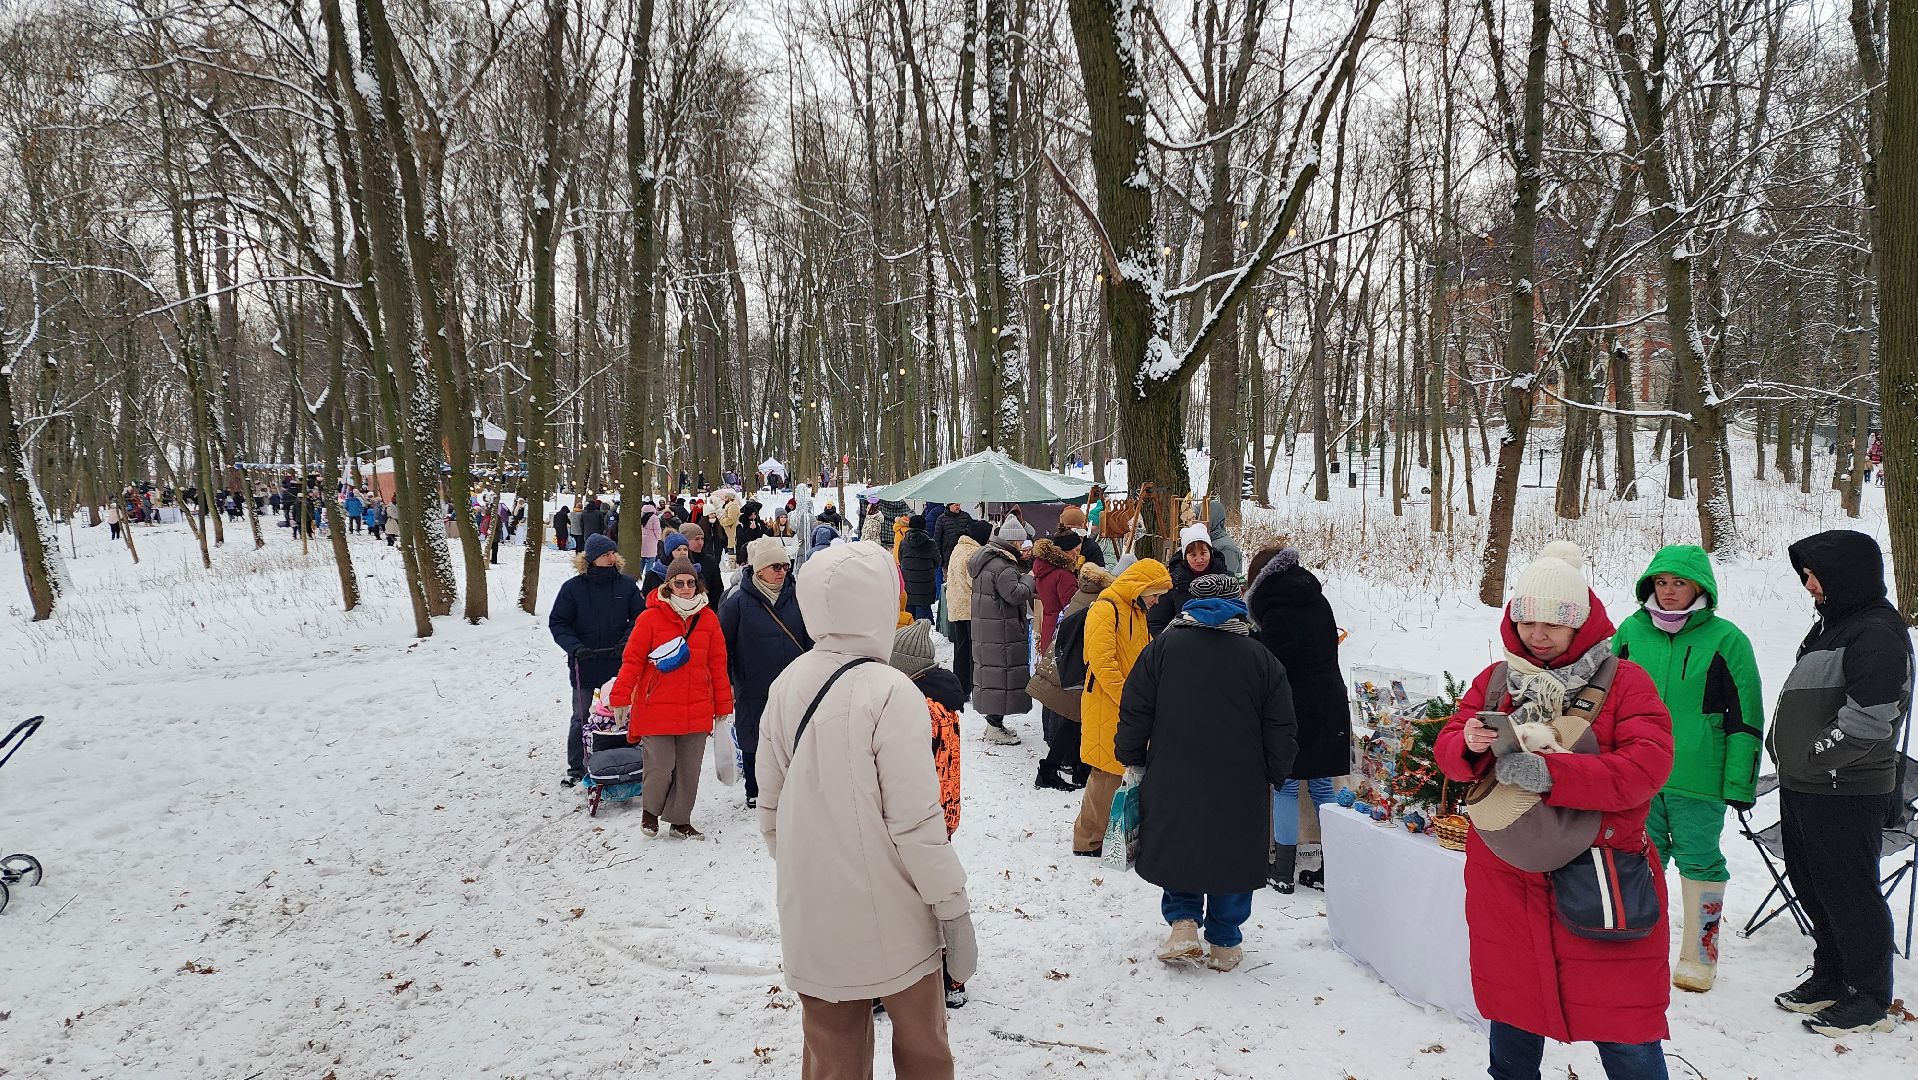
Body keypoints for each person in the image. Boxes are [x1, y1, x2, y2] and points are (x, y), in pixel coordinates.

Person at [1434, 541, 1675, 1080]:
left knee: (1625, 1033)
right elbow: (1449, 752)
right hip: (1508, 879)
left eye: (1554, 623)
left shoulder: (1625, 683)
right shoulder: (1496, 680)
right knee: (1514, 1023)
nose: (1537, 635)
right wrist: (1469, 743)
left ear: (1582, 622)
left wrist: (1552, 775)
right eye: (1527, 621)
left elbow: (1647, 767)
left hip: (1602, 874)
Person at [755, 542, 974, 1078]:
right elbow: (917, 825)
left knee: (832, 1059)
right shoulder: (891, 691)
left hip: (812, 917)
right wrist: (953, 910)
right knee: (924, 1050)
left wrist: (814, 873)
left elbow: (771, 812)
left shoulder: (785, 685)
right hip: (898, 918)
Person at [1766, 530, 1913, 1036]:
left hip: (1845, 790)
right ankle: (1831, 975)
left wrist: (1815, 757)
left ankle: (1870, 996)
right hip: (1809, 785)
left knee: (1851, 894)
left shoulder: (1876, 633)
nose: (1808, 585)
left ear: (1844, 575)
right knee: (1814, 885)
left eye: (1814, 575)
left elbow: (1870, 720)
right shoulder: (1837, 625)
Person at [1116, 573, 1296, 972]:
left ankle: (1182, 923)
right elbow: (1280, 722)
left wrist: (1130, 755)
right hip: (1241, 776)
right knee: (1233, 851)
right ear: (1238, 604)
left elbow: (1135, 706)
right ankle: (1226, 941)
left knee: (1178, 840)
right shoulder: (1260, 657)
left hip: (1173, 767)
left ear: (1189, 604)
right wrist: (1276, 770)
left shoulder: (1163, 648)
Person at [1611, 545, 1763, 993]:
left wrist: (1739, 779)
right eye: (1662, 583)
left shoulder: (1726, 638)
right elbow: (1605, 702)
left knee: (1700, 860)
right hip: (1638, 773)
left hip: (1700, 776)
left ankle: (1701, 954)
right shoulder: (1630, 632)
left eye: (1679, 583)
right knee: (1639, 857)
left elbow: (1745, 713)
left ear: (1700, 587)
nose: (1670, 592)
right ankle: (1636, 945)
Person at [608, 547, 734, 840]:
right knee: (660, 765)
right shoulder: (650, 619)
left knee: (689, 770)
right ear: (668, 585)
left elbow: (718, 665)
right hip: (657, 706)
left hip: (697, 706)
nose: (686, 588)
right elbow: (633, 660)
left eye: (691, 583)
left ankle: (680, 821)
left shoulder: (709, 619)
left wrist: (723, 706)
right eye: (679, 583)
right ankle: (650, 812)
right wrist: (620, 697)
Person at [1246, 544, 1350, 893]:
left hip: (1293, 708)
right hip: (1330, 701)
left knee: (1287, 784)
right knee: (1322, 786)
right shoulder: (1316, 599)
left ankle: (1282, 868)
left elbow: (1272, 666)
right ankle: (1333, 865)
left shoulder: (1277, 609)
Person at [889, 618, 970, 1007]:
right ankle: (950, 973)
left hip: (923, 816)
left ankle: (944, 973)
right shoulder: (941, 700)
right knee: (937, 893)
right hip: (943, 811)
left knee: (923, 898)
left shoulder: (919, 710)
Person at [1075, 559, 1173, 857]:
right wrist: (1130, 698)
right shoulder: (1106, 608)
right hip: (1108, 704)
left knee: (1119, 770)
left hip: (1125, 704)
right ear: (1140, 588)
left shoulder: (1136, 611)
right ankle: (1087, 840)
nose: (1157, 601)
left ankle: (1108, 834)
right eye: (1154, 593)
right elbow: (1102, 662)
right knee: (1105, 774)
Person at [719, 536, 813, 809]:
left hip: (793, 681)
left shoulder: (798, 595)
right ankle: (755, 787)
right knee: (754, 736)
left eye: (786, 566)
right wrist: (729, 681)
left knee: (793, 734)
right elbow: (723, 645)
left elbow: (810, 636)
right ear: (759, 569)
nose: (782, 572)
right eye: (776, 567)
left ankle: (793, 785)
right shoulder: (736, 601)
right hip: (753, 682)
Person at [547, 534, 646, 787]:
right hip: (585, 663)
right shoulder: (572, 588)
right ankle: (577, 766)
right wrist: (575, 648)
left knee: (622, 713)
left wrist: (627, 642)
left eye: (613, 553)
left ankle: (630, 759)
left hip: (619, 663)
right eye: (605, 554)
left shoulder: (626, 585)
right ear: (591, 559)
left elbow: (640, 617)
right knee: (582, 715)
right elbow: (558, 622)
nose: (611, 558)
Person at [968, 517, 1038, 745]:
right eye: (1019, 542)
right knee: (1000, 677)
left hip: (989, 629)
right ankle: (994, 727)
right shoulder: (1003, 566)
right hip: (1000, 630)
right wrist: (1029, 579)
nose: (1021, 547)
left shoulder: (987, 561)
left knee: (993, 676)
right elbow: (1015, 594)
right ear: (1013, 541)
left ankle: (995, 724)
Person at [944, 520, 989, 703]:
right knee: (972, 651)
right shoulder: (974, 553)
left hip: (956, 606)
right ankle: (967, 687)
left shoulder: (959, 548)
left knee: (960, 649)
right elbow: (974, 582)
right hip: (969, 607)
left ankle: (960, 687)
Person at [1148, 524, 1217, 637]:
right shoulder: (1174, 584)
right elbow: (1156, 622)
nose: (1199, 559)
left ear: (1211, 552)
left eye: (1203, 553)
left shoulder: (1225, 580)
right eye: (1193, 555)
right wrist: (1170, 646)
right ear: (1185, 556)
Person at [1032, 533, 1085, 654]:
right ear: (1067, 550)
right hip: (1060, 631)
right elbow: (1071, 607)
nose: (1078, 554)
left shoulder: (1043, 568)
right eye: (1076, 550)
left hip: (1047, 626)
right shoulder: (1064, 574)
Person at [898, 514, 940, 622]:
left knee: (909, 617)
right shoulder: (930, 544)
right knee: (923, 621)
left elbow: (901, 559)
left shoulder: (903, 543)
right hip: (925, 586)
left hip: (908, 585)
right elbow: (938, 562)